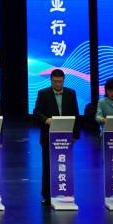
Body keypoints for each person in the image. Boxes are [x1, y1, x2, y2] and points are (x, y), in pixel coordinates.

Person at [32, 68, 82, 203]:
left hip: (65, 137)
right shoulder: (43, 93)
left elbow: (76, 114)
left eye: (60, 82)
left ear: (64, 80)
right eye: (55, 82)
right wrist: (46, 120)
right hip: (48, 136)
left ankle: (64, 192)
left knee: (64, 164)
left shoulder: (71, 93)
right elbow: (36, 112)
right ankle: (46, 195)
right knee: (48, 166)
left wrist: (75, 135)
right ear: (51, 80)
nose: (58, 84)